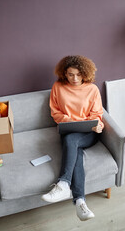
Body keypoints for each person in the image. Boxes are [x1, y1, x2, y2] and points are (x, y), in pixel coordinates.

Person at [41, 55, 104, 221]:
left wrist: (97, 125)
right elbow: (56, 113)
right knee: (74, 148)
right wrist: (74, 121)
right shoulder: (58, 87)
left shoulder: (92, 90)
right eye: (70, 74)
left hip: (88, 134)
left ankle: (63, 184)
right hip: (68, 131)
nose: (74, 78)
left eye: (78, 74)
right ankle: (80, 203)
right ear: (64, 74)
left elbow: (97, 115)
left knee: (71, 141)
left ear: (84, 73)